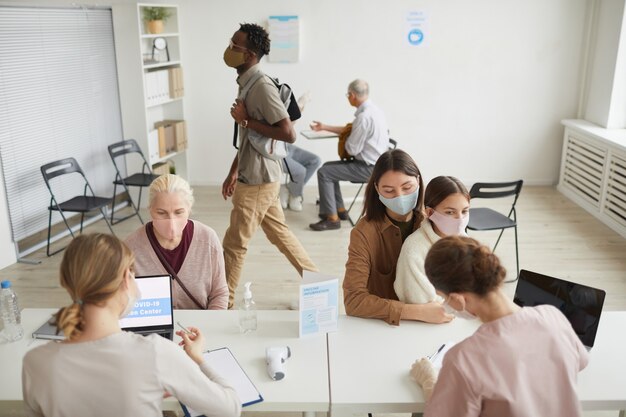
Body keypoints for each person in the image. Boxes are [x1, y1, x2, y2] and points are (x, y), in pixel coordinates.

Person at [22, 234, 241, 417]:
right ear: (127, 279)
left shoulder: (35, 362)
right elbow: (230, 408)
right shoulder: (157, 353)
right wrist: (198, 359)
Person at [410, 236, 589, 417]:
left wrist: (429, 381)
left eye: (443, 297)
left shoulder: (464, 360)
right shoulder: (553, 317)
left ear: (458, 299)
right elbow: (581, 361)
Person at [222, 23, 318, 308]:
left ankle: (222, 304)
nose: (229, 48)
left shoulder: (260, 86)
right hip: (258, 175)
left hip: (258, 180)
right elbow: (249, 139)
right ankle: (319, 283)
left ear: (250, 54)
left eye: (235, 45)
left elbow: (288, 133)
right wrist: (233, 171)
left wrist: (246, 120)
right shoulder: (247, 82)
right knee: (280, 234)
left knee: (234, 245)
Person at [342, 149, 453, 325]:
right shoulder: (364, 233)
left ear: (418, 180)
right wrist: (417, 312)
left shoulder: (432, 221)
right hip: (385, 325)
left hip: (433, 319)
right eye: (389, 190)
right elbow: (353, 301)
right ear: (377, 188)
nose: (400, 196)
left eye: (407, 187)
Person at [125, 174, 228, 310]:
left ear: (189, 209)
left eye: (179, 212)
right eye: (161, 213)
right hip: (153, 329)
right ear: (150, 209)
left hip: (200, 327)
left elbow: (219, 293)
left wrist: (208, 326)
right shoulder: (130, 248)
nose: (171, 222)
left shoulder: (208, 239)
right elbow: (123, 299)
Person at [309, 79, 390, 231]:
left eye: (348, 95)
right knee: (328, 168)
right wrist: (324, 127)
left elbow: (352, 149)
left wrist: (345, 141)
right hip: (378, 165)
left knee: (324, 172)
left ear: (352, 95)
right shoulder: (376, 111)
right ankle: (339, 211)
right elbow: (352, 131)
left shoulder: (363, 117)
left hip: (368, 169)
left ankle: (332, 219)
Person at [394, 176, 470, 304]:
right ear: (429, 213)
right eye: (450, 212)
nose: (460, 219)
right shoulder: (414, 250)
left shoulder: (467, 242)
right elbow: (418, 301)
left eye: (464, 211)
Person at [280, 143, 322, 211]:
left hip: (285, 146)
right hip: (272, 151)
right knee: (300, 171)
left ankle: (288, 188)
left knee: (315, 160)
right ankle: (295, 195)